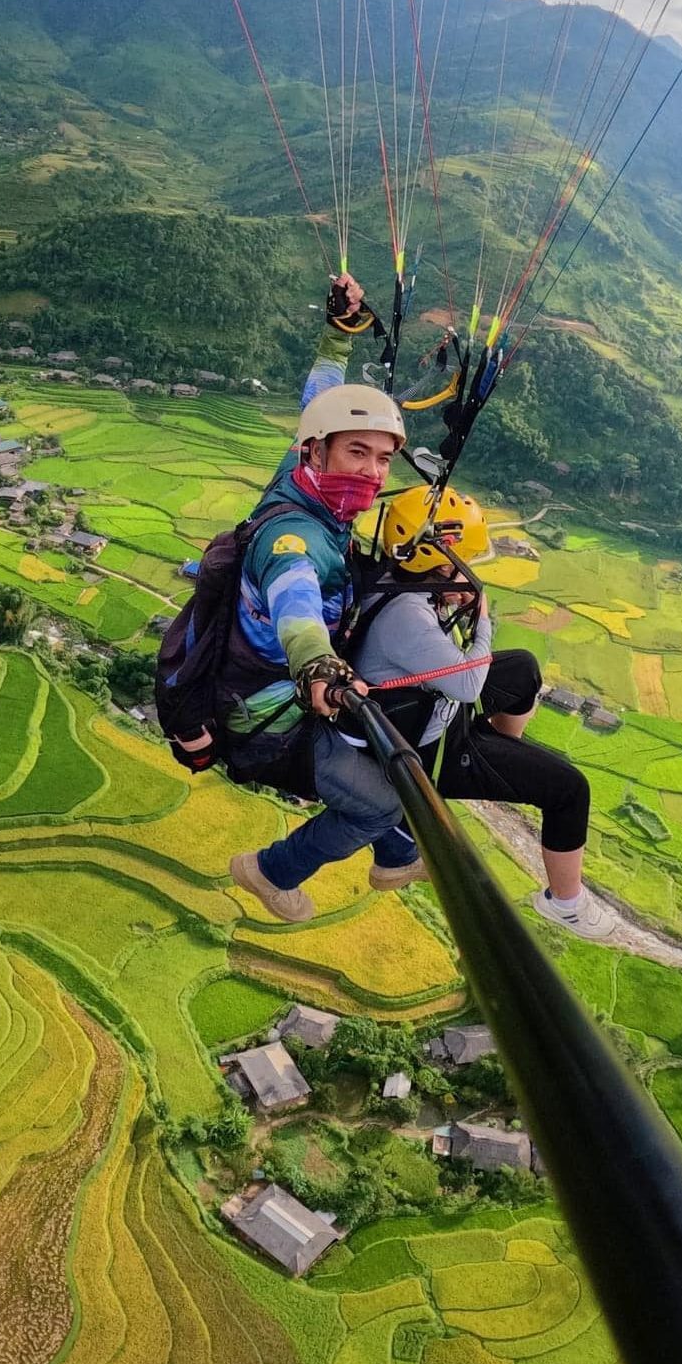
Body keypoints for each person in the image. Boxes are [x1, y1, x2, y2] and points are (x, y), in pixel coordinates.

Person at [220, 274, 427, 924]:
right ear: (319, 452)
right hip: (267, 717)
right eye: (356, 453)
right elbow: (296, 607)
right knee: (377, 801)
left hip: (277, 688)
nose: (370, 471)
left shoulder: (301, 476)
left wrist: (338, 333)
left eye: (382, 459)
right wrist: (317, 663)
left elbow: (319, 396)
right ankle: (270, 869)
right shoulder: (293, 538)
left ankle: (396, 851)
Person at [346, 484, 617, 938]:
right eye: (465, 566)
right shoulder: (407, 617)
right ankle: (566, 904)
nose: (471, 576)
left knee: (524, 669)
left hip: (431, 709)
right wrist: (483, 616)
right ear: (439, 563)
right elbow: (470, 683)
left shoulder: (398, 585)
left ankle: (500, 755)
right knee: (570, 788)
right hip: (431, 750)